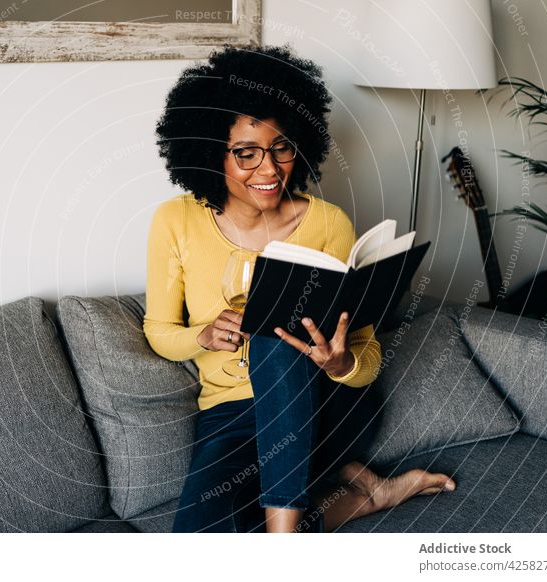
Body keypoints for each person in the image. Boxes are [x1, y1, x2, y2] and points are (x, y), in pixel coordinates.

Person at [143, 44, 456, 533]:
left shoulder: (328, 224)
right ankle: (364, 496)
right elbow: (161, 331)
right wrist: (201, 335)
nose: (269, 170)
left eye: (282, 148)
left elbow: (366, 351)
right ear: (208, 151)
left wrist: (340, 362)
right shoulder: (176, 221)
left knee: (274, 328)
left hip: (324, 404)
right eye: (246, 153)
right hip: (232, 414)